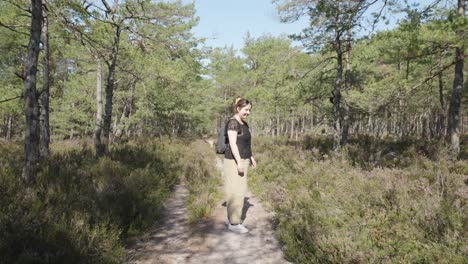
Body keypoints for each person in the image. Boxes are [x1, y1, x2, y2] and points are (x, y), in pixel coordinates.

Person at [224, 97, 257, 233]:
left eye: (249, 110)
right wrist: (239, 162)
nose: (248, 112)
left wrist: (251, 157)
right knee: (234, 190)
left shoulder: (244, 124)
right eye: (246, 110)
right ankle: (234, 223)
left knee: (241, 190)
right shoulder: (233, 123)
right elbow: (232, 144)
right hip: (233, 161)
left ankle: (234, 220)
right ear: (238, 109)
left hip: (244, 159)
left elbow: (245, 144)